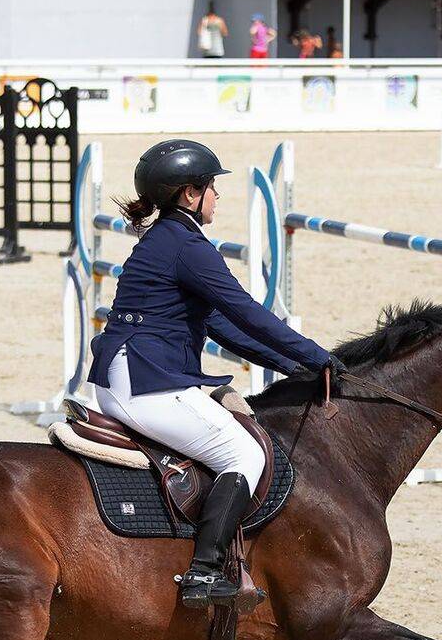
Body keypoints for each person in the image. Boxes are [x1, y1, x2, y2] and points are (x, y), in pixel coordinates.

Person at [88, 140, 343, 608]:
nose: (216, 197)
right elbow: (245, 310)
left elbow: (221, 326)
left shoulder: (166, 238)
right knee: (244, 456)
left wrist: (293, 366)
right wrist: (318, 355)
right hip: (146, 384)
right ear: (189, 194)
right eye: (211, 187)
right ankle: (203, 573)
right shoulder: (186, 246)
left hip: (133, 374)